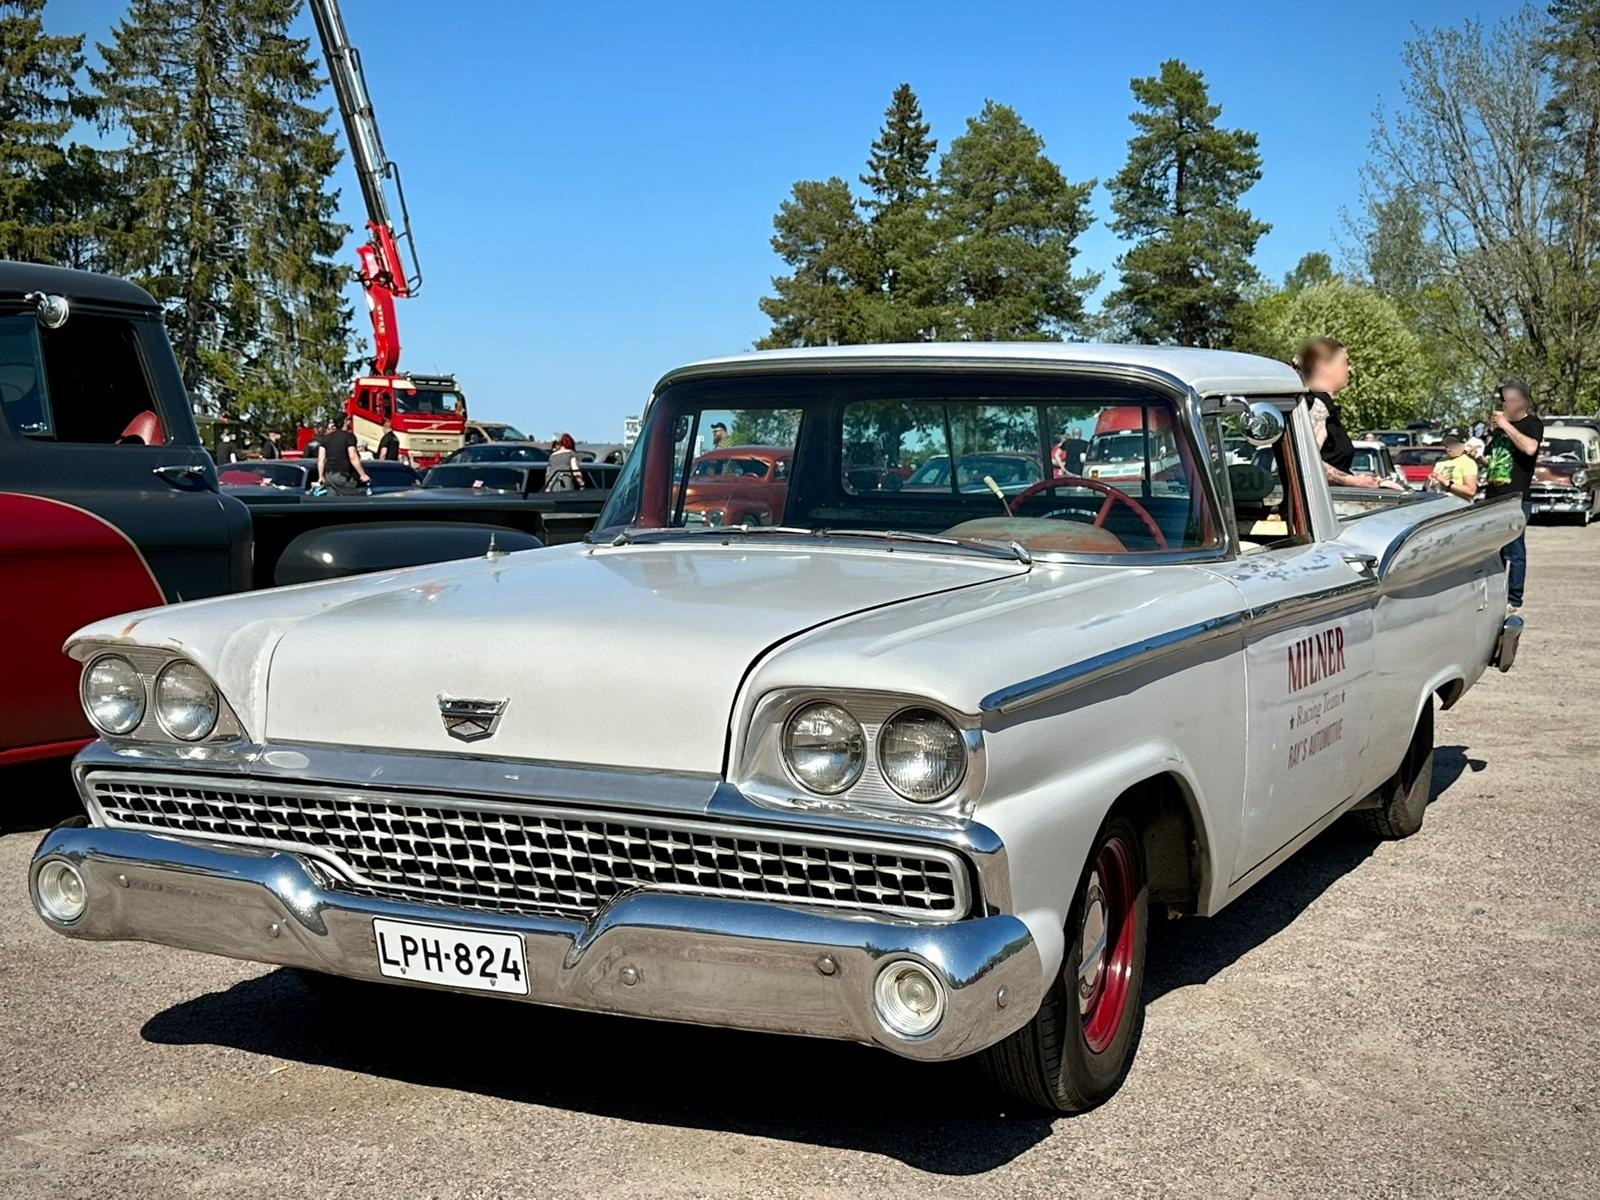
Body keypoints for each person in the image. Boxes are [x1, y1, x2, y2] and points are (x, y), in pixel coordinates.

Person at [1293, 337, 1388, 489]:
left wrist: (1377, 482)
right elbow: (1306, 461)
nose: (1349, 369)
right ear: (1323, 367)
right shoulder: (1317, 405)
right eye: (1345, 363)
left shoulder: (1324, 405)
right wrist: (1354, 481)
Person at [1483, 378, 1543, 613]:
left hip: (1515, 497)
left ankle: (1514, 598)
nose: (1503, 404)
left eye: (1507, 400)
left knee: (1514, 550)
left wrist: (1506, 426)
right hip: (1493, 496)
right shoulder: (1498, 429)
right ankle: (1494, 593)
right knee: (1492, 548)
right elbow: (1492, 458)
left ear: (1521, 402)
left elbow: (1530, 448)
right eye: (1502, 400)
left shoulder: (1532, 424)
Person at [317, 415, 371, 495]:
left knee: (333, 504)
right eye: (348, 420)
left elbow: (321, 459)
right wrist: (362, 474)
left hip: (329, 476)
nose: (349, 422)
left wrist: (321, 476)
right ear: (344, 422)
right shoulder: (349, 437)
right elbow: (352, 456)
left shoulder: (326, 438)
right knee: (350, 503)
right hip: (344, 476)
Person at [1429, 430, 1479, 501]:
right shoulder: (1440, 462)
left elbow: (1471, 491)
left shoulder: (1468, 462)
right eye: (1447, 444)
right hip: (1439, 503)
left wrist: (1447, 483)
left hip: (1459, 505)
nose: (1449, 448)